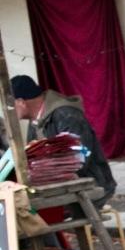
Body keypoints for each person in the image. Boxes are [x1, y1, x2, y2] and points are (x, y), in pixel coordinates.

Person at [11, 74, 116, 206]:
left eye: (11, 105)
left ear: (21, 102)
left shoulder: (66, 114)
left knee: (33, 209)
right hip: (62, 184)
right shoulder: (35, 120)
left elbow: (79, 159)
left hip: (91, 182)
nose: (9, 111)